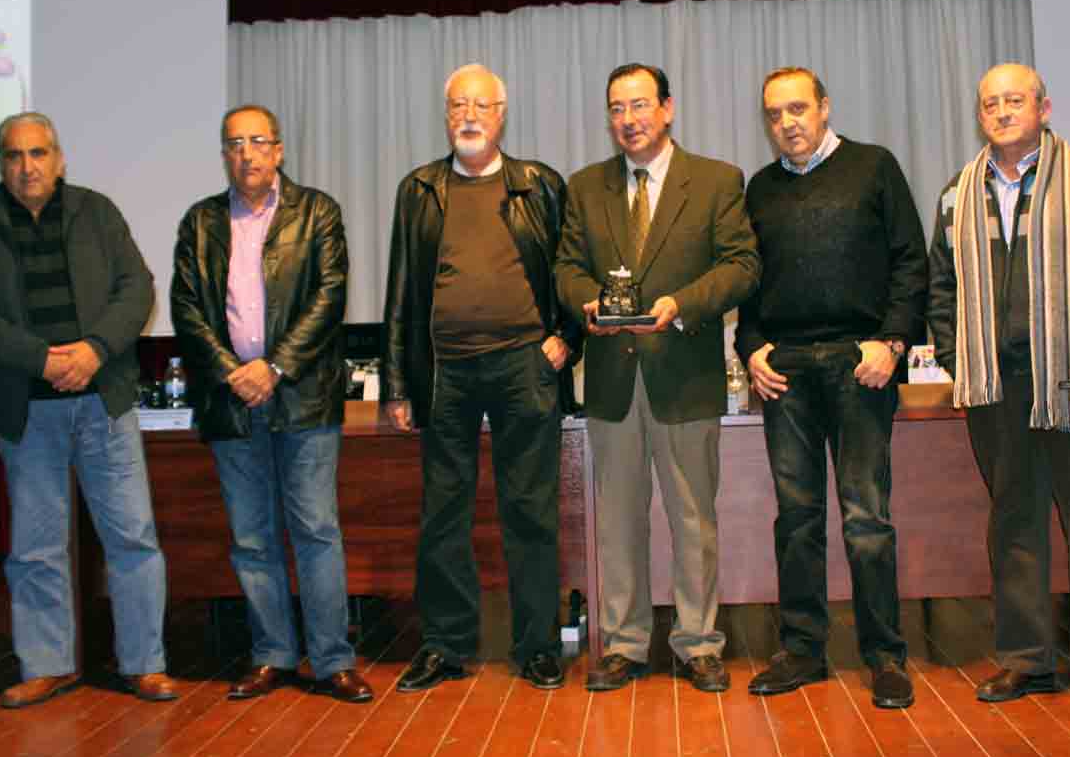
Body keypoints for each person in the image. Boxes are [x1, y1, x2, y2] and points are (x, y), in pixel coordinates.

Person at [928, 63, 1070, 718]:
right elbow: (942, 288)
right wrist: (954, 357)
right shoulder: (956, 193)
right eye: (990, 103)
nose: (1001, 111)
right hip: (997, 389)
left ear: (1044, 107)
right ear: (980, 115)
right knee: (1014, 526)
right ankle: (1027, 661)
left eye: (1015, 100)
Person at [0, 111, 177, 708]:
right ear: (1, 165)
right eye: (15, 156)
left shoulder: (96, 213)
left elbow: (138, 288)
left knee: (132, 540)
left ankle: (144, 663)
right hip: (27, 410)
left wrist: (95, 350)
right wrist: (39, 359)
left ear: (60, 159)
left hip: (104, 402)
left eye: (39, 153)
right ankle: (47, 665)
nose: (28, 167)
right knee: (36, 547)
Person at [555, 62, 760, 693]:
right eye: (617, 108)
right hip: (612, 381)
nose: (629, 119)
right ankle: (622, 644)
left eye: (640, 105)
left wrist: (684, 303)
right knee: (617, 518)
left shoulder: (717, 180)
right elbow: (565, 267)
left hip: (684, 374)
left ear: (667, 108)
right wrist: (587, 301)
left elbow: (742, 265)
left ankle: (699, 643)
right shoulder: (585, 187)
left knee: (693, 517)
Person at [381, 63, 580, 692]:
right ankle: (445, 646)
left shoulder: (540, 186)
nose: (469, 116)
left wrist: (567, 339)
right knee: (443, 512)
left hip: (525, 363)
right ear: (446, 116)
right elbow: (400, 294)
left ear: (501, 114)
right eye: (457, 106)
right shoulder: (419, 190)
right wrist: (395, 384)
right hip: (444, 372)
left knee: (530, 511)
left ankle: (538, 646)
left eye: (481, 106)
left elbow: (573, 272)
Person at [734, 67, 927, 706]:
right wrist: (749, 346)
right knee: (796, 519)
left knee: (867, 519)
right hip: (783, 368)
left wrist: (892, 342)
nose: (786, 122)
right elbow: (747, 280)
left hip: (859, 362)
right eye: (773, 114)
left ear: (824, 107)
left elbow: (909, 262)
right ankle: (802, 651)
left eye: (797, 109)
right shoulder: (759, 190)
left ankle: (885, 657)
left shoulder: (874, 167)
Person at [170, 104, 371, 704]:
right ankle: (272, 655)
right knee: (252, 537)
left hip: (303, 397)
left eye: (259, 142)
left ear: (279, 150)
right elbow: (187, 308)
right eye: (235, 143)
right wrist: (235, 373)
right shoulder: (201, 222)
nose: (248, 153)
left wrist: (276, 366)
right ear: (225, 154)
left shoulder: (317, 212)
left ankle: (333, 659)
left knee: (315, 529)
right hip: (232, 401)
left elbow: (329, 296)